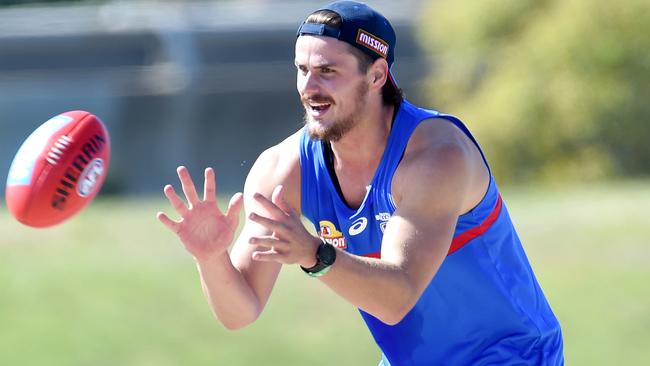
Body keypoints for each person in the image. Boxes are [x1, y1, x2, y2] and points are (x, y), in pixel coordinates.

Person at [157, 1, 564, 364]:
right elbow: (240, 311)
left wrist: (314, 253)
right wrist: (211, 257)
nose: (309, 88)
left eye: (327, 72)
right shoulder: (283, 169)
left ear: (376, 75)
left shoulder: (436, 158)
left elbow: (397, 297)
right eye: (302, 70)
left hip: (512, 356)